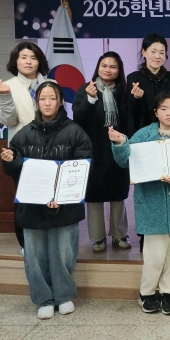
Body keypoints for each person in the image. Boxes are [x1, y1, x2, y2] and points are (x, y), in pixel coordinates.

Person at [1, 82, 92, 320]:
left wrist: (61, 196)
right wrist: (10, 160)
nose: (48, 103)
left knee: (63, 253)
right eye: (43, 98)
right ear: (38, 102)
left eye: (52, 98)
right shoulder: (24, 133)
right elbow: (14, 168)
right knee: (34, 255)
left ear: (60, 101)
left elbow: (82, 168)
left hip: (65, 207)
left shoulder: (75, 132)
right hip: (31, 207)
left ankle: (64, 296)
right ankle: (43, 299)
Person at [110, 91, 170, 315]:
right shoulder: (143, 135)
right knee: (154, 255)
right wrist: (120, 143)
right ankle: (147, 293)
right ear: (156, 112)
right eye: (163, 109)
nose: (168, 113)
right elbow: (124, 161)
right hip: (151, 205)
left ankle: (167, 293)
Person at [0, 42, 51, 257]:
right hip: (22, 149)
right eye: (23, 57)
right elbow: (8, 120)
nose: (28, 61)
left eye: (33, 57)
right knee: (25, 199)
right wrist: (5, 97)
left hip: (50, 148)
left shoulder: (51, 84)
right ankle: (25, 243)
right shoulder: (7, 86)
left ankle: (49, 239)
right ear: (16, 61)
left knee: (49, 196)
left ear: (39, 61)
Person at [72, 52, 131, 252]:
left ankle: (119, 234)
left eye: (113, 66)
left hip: (117, 148)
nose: (108, 69)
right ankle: (97, 238)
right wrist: (89, 99)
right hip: (93, 149)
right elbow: (78, 118)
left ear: (119, 70)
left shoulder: (123, 91)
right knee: (94, 195)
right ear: (98, 67)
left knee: (118, 193)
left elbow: (129, 119)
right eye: (104, 65)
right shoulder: (85, 89)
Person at [126, 33, 170, 136]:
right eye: (153, 52)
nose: (157, 56)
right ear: (144, 52)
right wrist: (137, 99)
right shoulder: (134, 78)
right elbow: (131, 114)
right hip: (143, 135)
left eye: (161, 52)